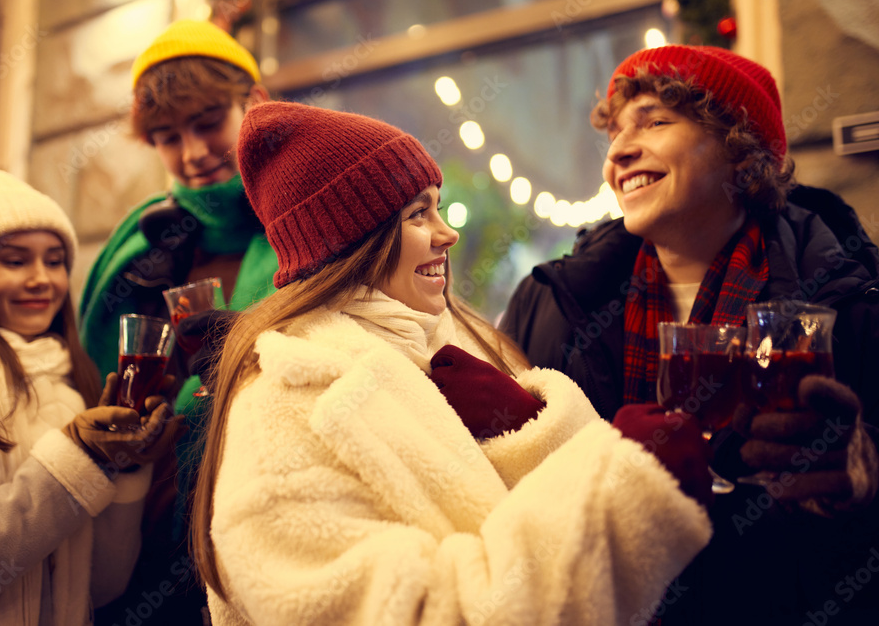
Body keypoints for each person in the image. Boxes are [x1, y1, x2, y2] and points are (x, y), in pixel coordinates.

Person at [188, 101, 715, 625]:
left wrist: (529, 426)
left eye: (438, 207)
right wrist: (618, 500)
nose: (447, 233)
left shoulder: (447, 338)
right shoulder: (285, 407)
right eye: (419, 212)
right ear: (354, 240)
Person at [501, 45, 879, 625]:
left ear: (740, 150)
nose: (621, 152)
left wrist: (863, 474)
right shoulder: (550, 300)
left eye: (655, 122)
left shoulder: (850, 297)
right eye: (616, 135)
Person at [0, 166, 182, 625]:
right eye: (16, 261)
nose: (43, 279)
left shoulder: (72, 386)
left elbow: (101, 587)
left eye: (55, 259)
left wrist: (126, 465)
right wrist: (75, 457)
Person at [79, 18, 278, 624]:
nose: (191, 153)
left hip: (263, 497)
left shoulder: (298, 223)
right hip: (146, 514)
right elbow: (98, 375)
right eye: (167, 136)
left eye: (207, 122)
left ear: (254, 105)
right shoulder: (142, 245)